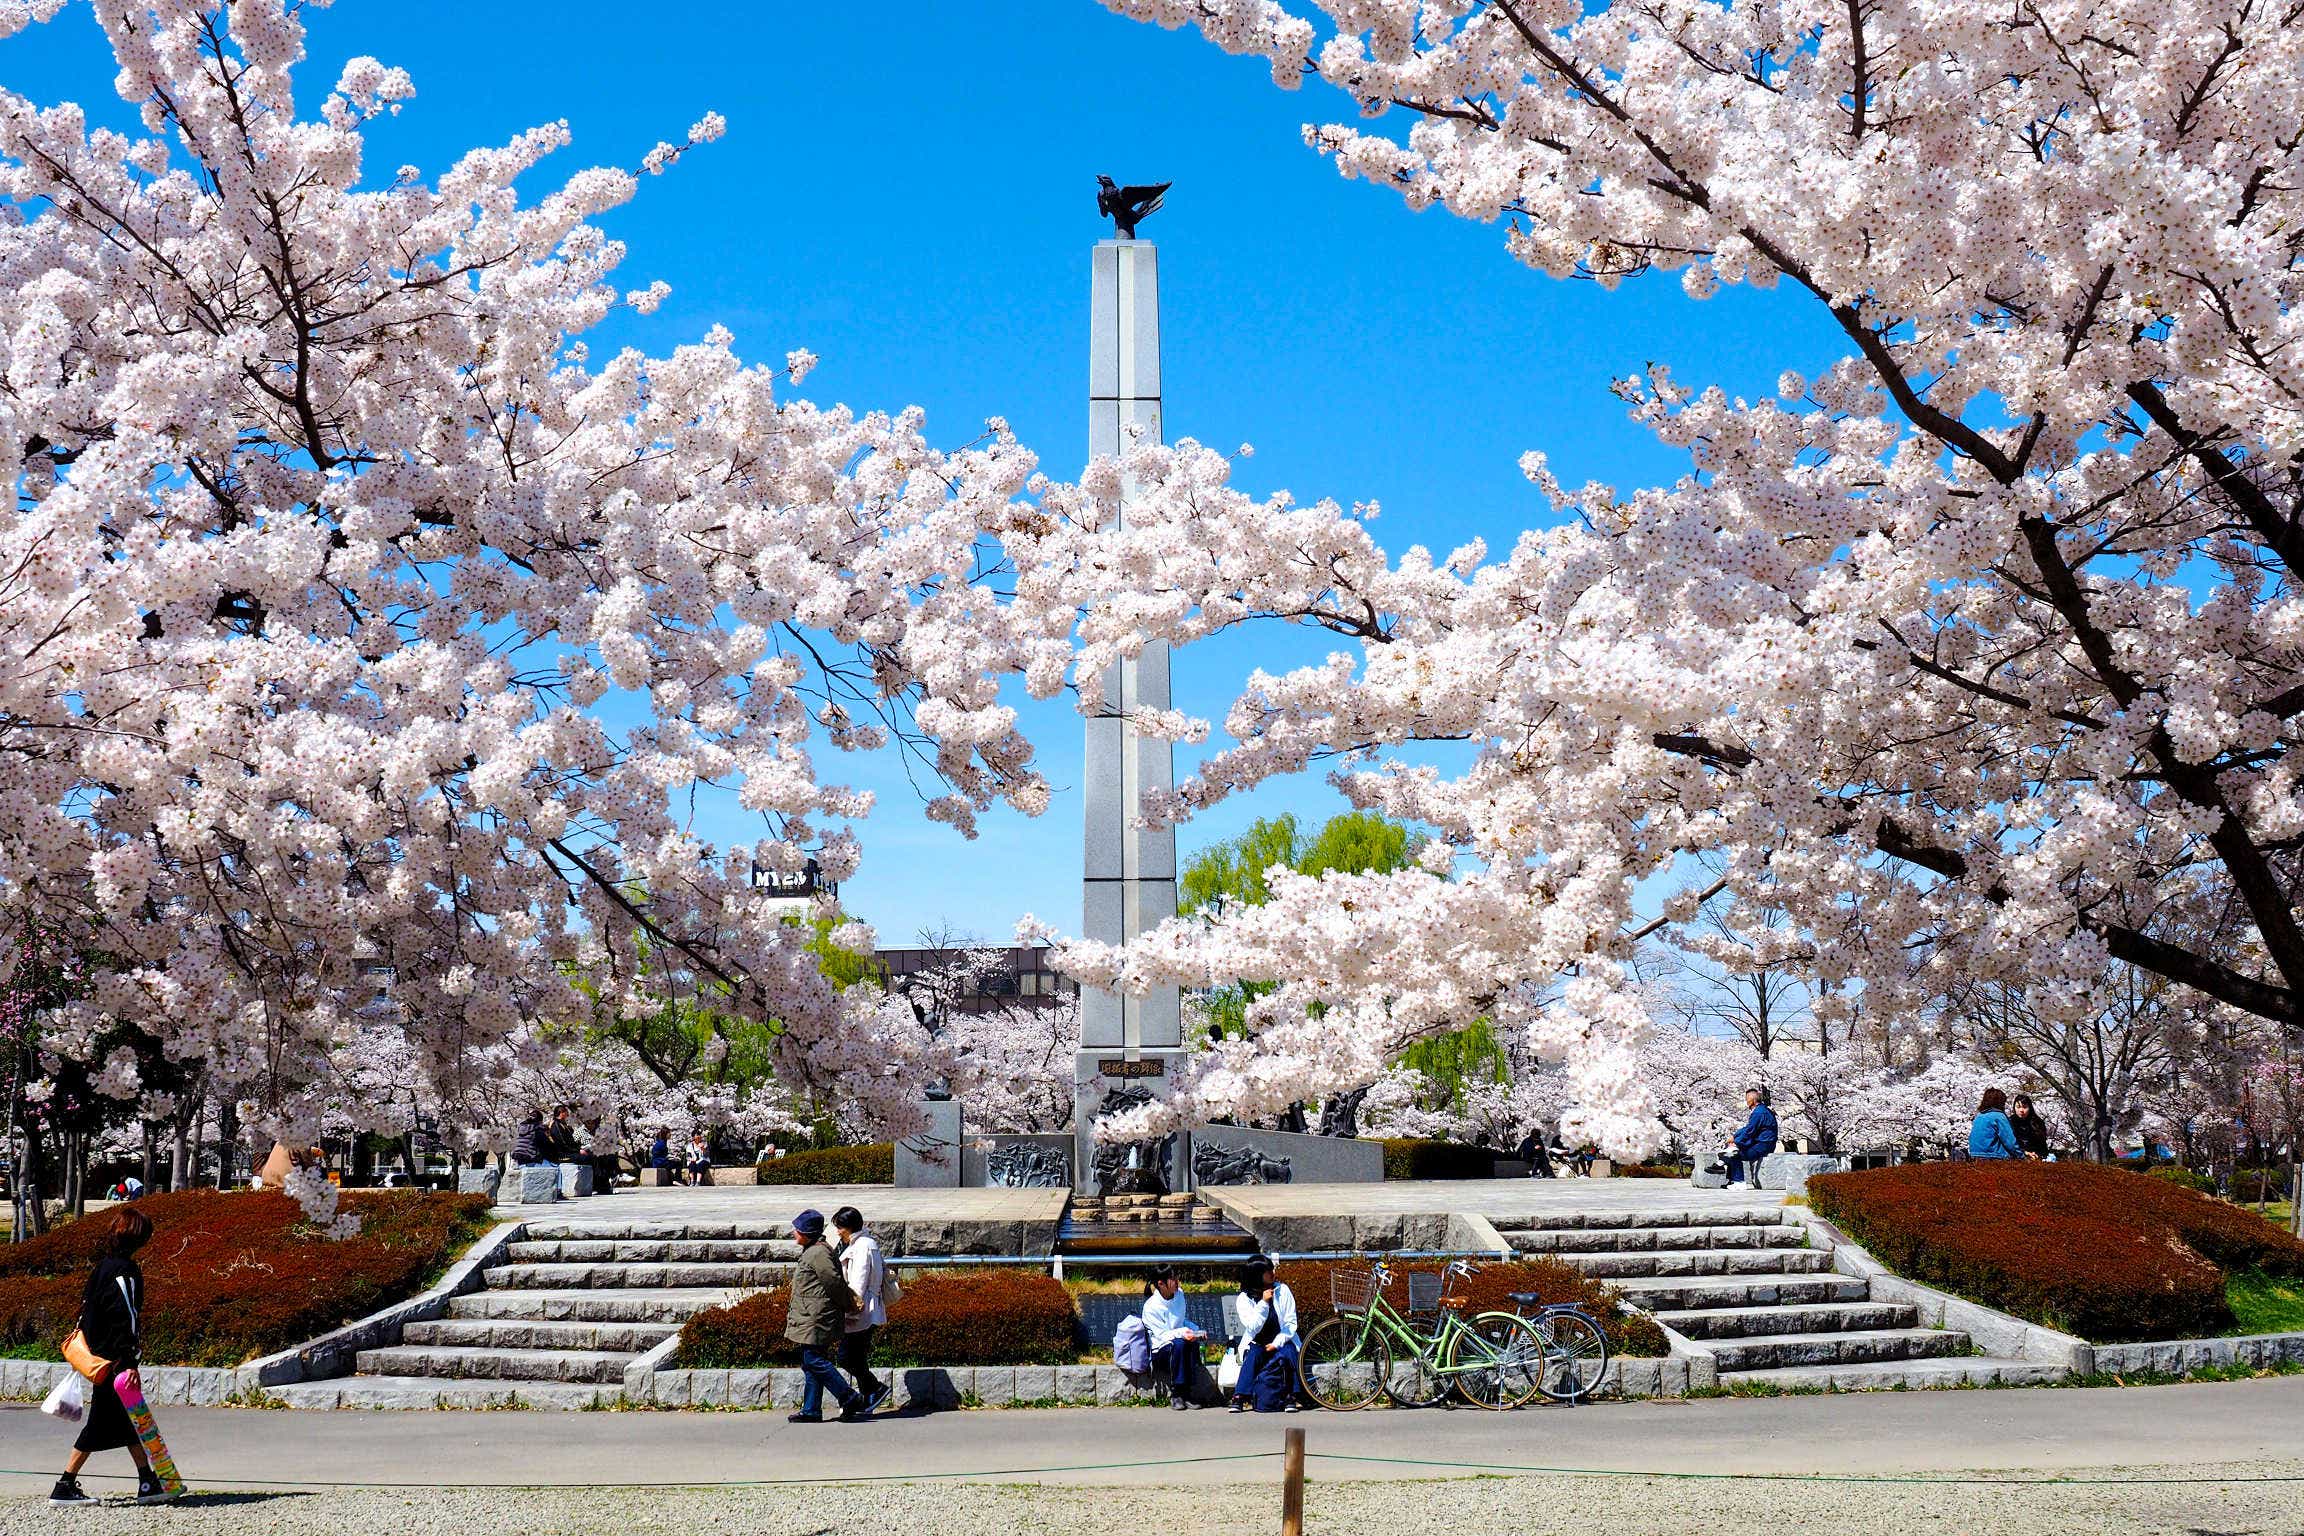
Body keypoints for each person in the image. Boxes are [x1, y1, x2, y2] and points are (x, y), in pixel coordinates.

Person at [50, 1207, 172, 1506]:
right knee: (101, 1425)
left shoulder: (103, 1267)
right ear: (141, 1238)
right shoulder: (125, 1272)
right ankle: (64, 1486)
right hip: (114, 1361)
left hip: (99, 1355)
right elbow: (126, 1317)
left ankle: (148, 1482)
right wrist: (129, 1361)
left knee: (124, 1421)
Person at [784, 1209, 867, 1423]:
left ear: (806, 1232)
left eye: (797, 1229)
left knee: (813, 1360)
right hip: (810, 1315)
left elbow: (833, 1282)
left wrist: (848, 1303)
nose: (794, 1232)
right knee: (811, 1361)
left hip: (815, 1318)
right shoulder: (813, 1250)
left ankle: (848, 1396)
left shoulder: (818, 1253)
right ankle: (811, 1409)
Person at [833, 1206, 892, 1415]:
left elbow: (857, 1285)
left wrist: (850, 1311)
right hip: (867, 1309)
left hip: (862, 1310)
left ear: (848, 1227)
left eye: (839, 1227)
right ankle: (870, 1395)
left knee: (846, 1357)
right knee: (857, 1357)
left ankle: (875, 1388)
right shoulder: (863, 1243)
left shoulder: (861, 1247)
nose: (837, 1232)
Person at [1229, 1257, 1301, 1414]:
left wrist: (1277, 1342)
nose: (1272, 1274)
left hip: (1283, 1339)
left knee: (1288, 1353)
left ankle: (1291, 1396)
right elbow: (1252, 1326)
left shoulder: (1283, 1290)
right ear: (1257, 1275)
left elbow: (1290, 1323)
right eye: (1268, 1272)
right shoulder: (1244, 1299)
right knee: (1253, 1355)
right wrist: (1263, 1303)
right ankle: (1239, 1396)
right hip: (1259, 1342)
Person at [1141, 1265, 1209, 1409]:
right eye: (1172, 1279)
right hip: (1161, 1352)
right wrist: (1183, 1332)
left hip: (1179, 1344)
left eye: (1177, 1277)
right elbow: (1162, 1335)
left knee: (1188, 1343)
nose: (1177, 1281)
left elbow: (1180, 1322)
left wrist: (1196, 1331)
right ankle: (1177, 1393)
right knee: (1178, 1344)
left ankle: (1187, 1393)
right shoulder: (1151, 1307)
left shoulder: (1179, 1296)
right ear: (1161, 1283)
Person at [1720, 1085, 1779, 1187]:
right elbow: (1748, 1128)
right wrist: (1735, 1137)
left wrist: (1736, 1142)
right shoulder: (1763, 1110)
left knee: (1735, 1153)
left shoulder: (1759, 1113)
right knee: (1731, 1150)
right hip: (1761, 1143)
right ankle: (1729, 1177)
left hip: (1763, 1145)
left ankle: (1738, 1181)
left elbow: (1749, 1131)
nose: (1746, 1101)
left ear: (1753, 1100)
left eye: (1747, 1099)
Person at [1969, 1088, 2021, 1159]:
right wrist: (2021, 1156)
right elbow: (2009, 1141)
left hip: (1975, 1155)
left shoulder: (1979, 1116)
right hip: (1994, 1156)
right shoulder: (1999, 1116)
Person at [2009, 1093, 2050, 1160]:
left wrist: (2038, 1155)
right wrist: (2024, 1153)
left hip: (2036, 1156)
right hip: (2017, 1156)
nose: (2021, 1110)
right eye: (2018, 1107)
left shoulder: (2038, 1122)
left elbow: (2042, 1144)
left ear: (2030, 1108)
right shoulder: (2010, 1122)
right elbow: (2009, 1143)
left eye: (2025, 1107)